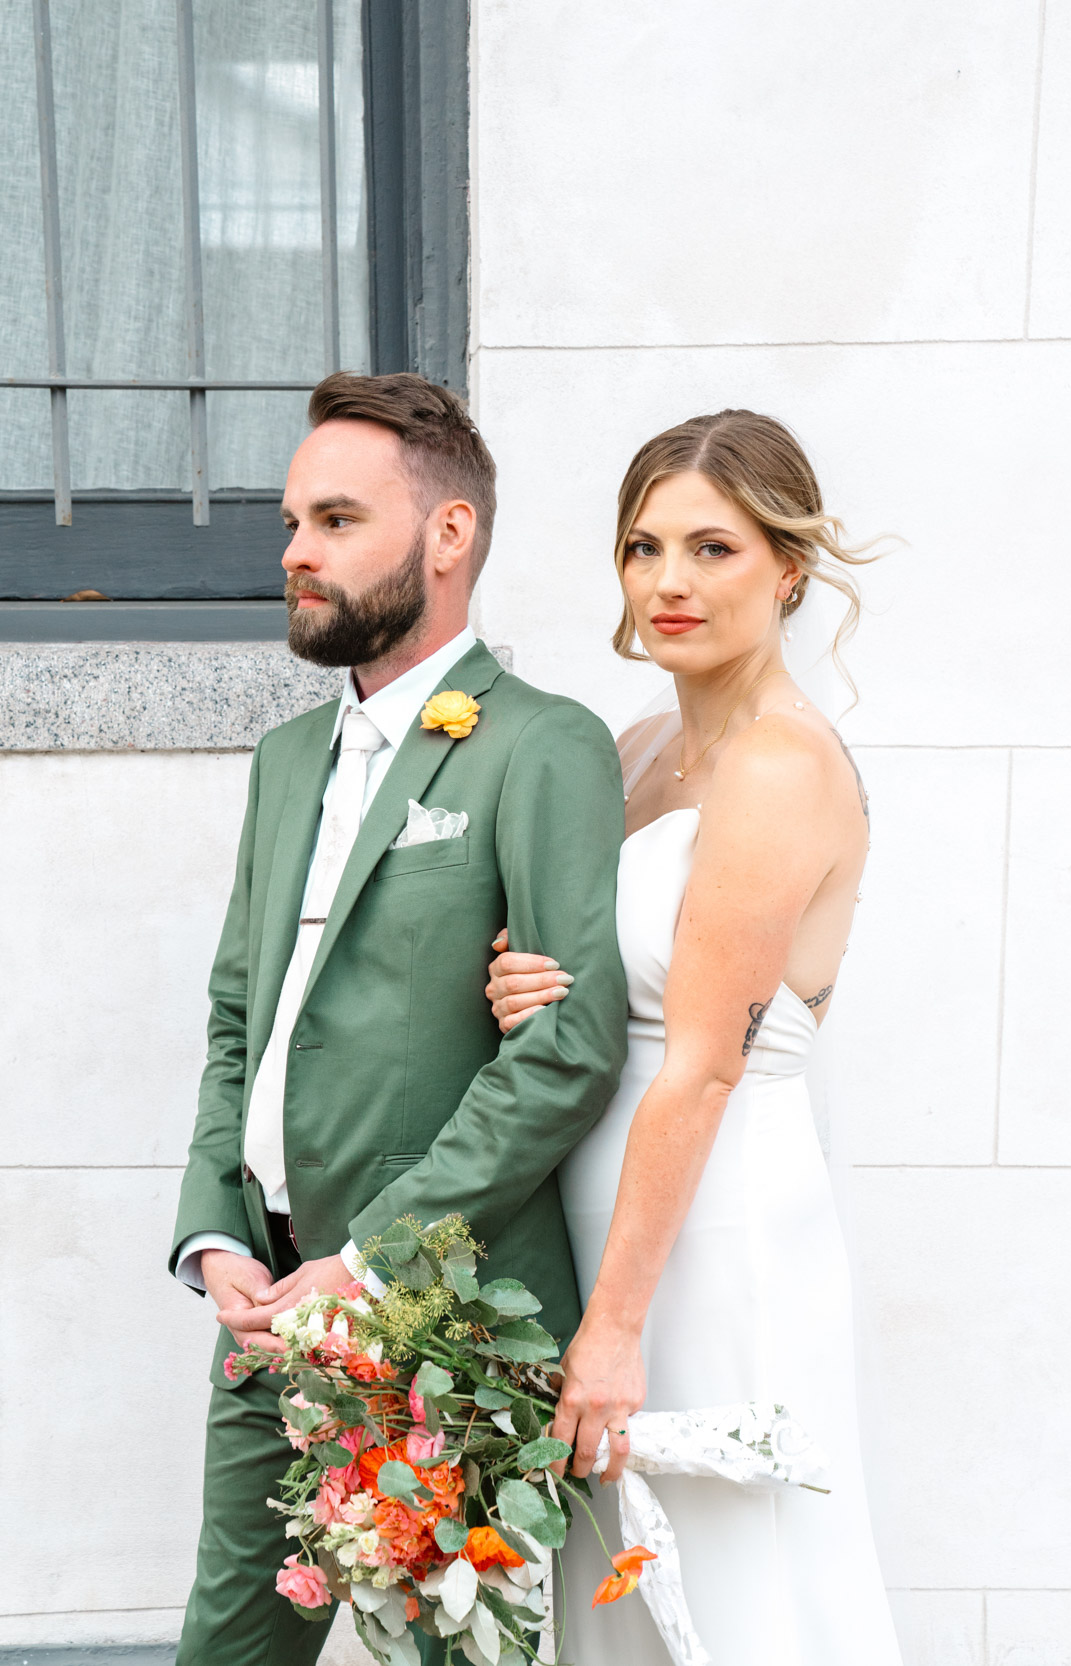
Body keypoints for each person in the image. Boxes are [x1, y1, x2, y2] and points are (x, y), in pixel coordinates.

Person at [169, 372, 629, 1666]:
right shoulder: (280, 765)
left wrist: (366, 1261)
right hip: (265, 1299)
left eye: (331, 519)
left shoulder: (540, 746)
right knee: (228, 1645)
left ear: (447, 534)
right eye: (288, 523)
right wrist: (216, 1235)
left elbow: (564, 1047)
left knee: (458, 1661)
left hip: (440, 1305)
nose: (294, 553)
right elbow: (233, 1020)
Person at [484, 409, 904, 1663]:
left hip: (716, 1227)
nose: (668, 581)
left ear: (786, 567)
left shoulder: (781, 764)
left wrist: (613, 1324)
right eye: (642, 545)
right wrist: (526, 987)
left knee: (736, 1587)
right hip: (609, 1207)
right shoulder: (635, 749)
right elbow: (603, 988)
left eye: (711, 548)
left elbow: (706, 1057)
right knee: (627, 1587)